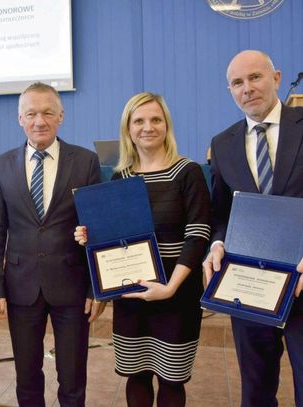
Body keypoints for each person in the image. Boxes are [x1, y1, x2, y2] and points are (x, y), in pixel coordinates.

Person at [75, 92, 211, 407]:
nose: (147, 127)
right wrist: (90, 235)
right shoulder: (120, 177)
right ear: (128, 128)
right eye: (139, 121)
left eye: (155, 119)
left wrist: (169, 287)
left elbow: (198, 234)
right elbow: (112, 235)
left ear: (167, 125)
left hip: (177, 294)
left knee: (172, 380)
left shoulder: (187, 172)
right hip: (132, 293)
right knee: (136, 376)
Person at [0, 82, 105, 406]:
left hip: (73, 289)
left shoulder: (86, 162)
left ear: (61, 116)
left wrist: (96, 289)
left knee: (73, 380)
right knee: (27, 380)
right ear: (19, 118)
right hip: (21, 288)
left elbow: (99, 231)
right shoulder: (1, 164)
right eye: (31, 113)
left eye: (48, 112)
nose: (40, 121)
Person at [203, 50, 303, 407]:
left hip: (301, 284)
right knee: (256, 391)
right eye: (237, 82)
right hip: (249, 286)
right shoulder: (222, 143)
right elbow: (220, 213)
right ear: (229, 90)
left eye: (255, 77)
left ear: (276, 77)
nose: (247, 88)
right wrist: (216, 244)